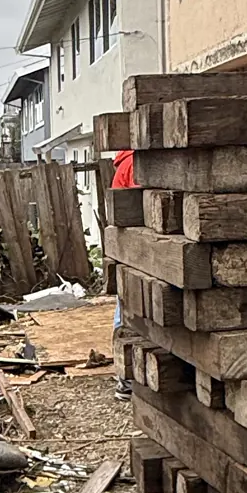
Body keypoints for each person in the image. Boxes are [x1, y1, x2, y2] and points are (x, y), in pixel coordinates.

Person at [109, 147, 134, 397]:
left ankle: (125, 379)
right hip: (133, 247)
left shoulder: (126, 161)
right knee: (127, 313)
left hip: (125, 246)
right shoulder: (136, 163)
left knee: (124, 307)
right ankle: (126, 380)